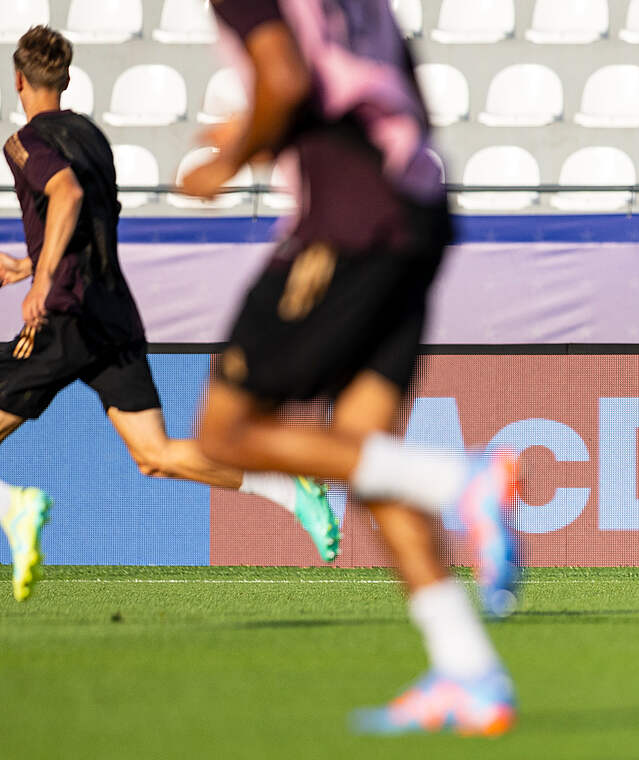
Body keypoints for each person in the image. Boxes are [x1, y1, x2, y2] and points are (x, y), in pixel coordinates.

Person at [178, 0, 520, 736]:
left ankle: (463, 479)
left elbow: (287, 76)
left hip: (347, 218)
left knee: (224, 430)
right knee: (368, 459)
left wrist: (229, 161)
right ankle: (470, 673)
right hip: (418, 211)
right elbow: (405, 88)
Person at [0, 26, 339, 604]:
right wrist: (31, 266)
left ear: (19, 81)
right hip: (114, 313)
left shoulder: (22, 142)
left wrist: (47, 276)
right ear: (68, 80)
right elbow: (90, 223)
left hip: (68, 316)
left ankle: (15, 505)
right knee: (155, 455)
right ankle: (289, 489)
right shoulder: (94, 139)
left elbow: (67, 197)